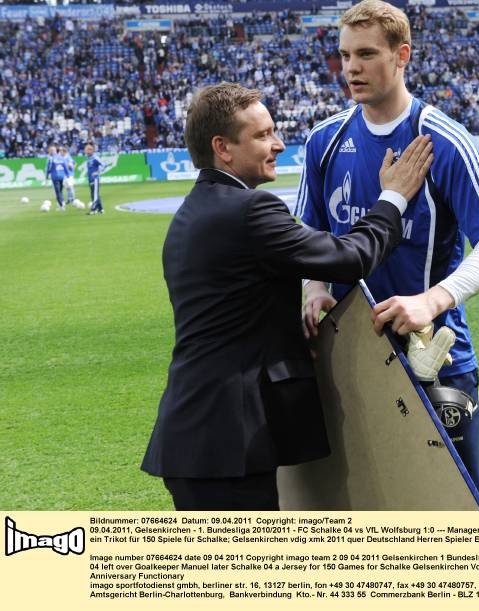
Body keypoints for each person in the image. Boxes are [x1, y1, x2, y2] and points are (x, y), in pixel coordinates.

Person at [140, 82, 433, 510]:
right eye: (262, 135)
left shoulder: (193, 211)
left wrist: (291, 324)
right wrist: (394, 197)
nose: (277, 144)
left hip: (201, 439)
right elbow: (352, 258)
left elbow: (231, 313)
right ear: (222, 147)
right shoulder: (250, 211)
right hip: (227, 448)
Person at [298, 0, 479, 504]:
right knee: (363, 506)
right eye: (345, 54)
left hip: (435, 359)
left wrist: (432, 300)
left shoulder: (444, 141)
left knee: (451, 511)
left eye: (367, 53)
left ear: (403, 55)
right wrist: (312, 289)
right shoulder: (324, 142)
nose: (351, 67)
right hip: (350, 362)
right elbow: (308, 240)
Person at [44, 144, 71, 211]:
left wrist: (47, 177)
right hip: (62, 177)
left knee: (58, 192)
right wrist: (68, 176)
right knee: (60, 191)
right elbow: (65, 167)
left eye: (51, 150)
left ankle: (61, 205)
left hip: (55, 177)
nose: (50, 152)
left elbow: (48, 168)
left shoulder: (51, 159)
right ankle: (62, 203)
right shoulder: (61, 157)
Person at [84, 142, 105, 214]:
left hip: (95, 178)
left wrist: (98, 172)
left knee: (95, 194)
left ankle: (93, 210)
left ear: (91, 150)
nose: (85, 151)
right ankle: (100, 209)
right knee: (93, 194)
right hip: (90, 178)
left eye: (86, 150)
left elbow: (104, 165)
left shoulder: (95, 158)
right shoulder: (88, 158)